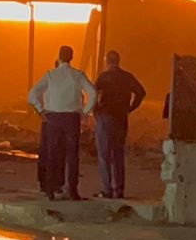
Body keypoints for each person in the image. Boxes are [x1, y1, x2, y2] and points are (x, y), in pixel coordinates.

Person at [26, 45, 95, 201]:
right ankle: (73, 190)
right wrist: (85, 112)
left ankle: (50, 190)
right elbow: (93, 93)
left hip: (53, 119)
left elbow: (32, 94)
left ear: (59, 57)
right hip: (72, 118)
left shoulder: (51, 75)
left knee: (52, 154)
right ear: (72, 57)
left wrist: (41, 110)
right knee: (72, 155)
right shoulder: (78, 75)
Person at [91, 50, 147, 199]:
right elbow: (141, 92)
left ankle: (107, 189)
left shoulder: (103, 77)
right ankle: (119, 189)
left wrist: (95, 112)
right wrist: (130, 108)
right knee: (118, 154)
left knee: (104, 155)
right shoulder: (127, 77)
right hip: (121, 119)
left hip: (105, 117)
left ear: (106, 60)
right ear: (118, 60)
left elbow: (93, 95)